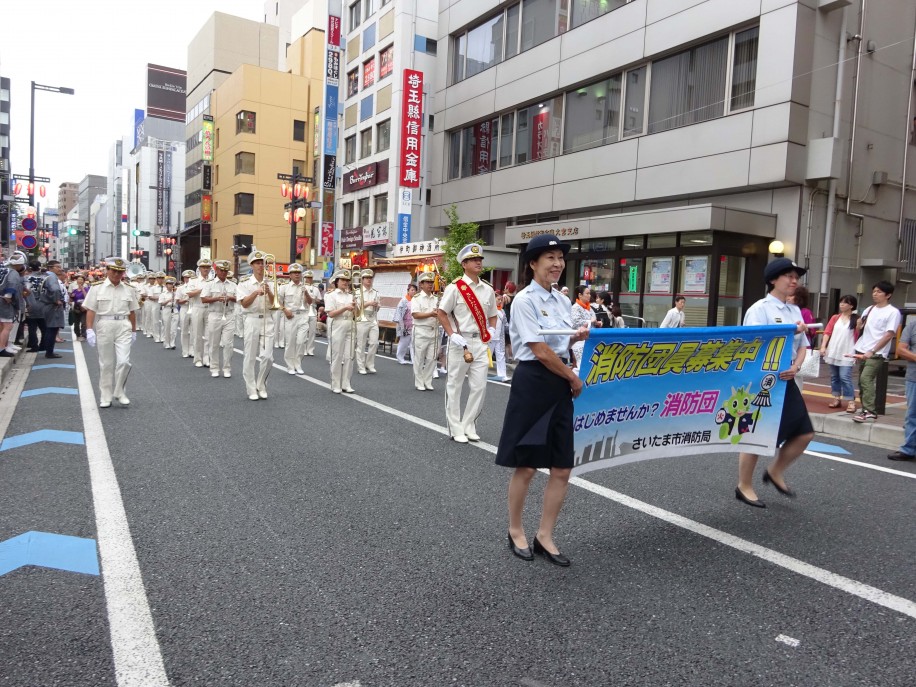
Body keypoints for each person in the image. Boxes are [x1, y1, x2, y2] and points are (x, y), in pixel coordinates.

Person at [495, 234, 588, 566]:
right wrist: (573, 376)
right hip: (535, 382)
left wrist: (575, 337)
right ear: (532, 263)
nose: (557, 263)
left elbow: (558, 342)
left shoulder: (563, 301)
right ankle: (515, 529)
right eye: (550, 257)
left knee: (562, 467)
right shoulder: (523, 300)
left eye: (560, 257)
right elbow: (539, 350)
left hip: (559, 382)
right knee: (528, 464)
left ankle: (545, 535)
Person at [735, 258, 814, 508]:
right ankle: (743, 485)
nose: (794, 281)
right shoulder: (759, 309)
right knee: (759, 434)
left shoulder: (794, 311)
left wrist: (796, 366)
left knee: (805, 432)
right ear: (772, 280)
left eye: (796, 277)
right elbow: (753, 344)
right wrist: (792, 332)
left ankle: (775, 470)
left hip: (788, 380)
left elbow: (803, 347)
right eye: (788, 276)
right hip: (764, 382)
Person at [437, 243, 498, 443]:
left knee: (479, 386)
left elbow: (493, 315)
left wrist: (491, 330)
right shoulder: (455, 288)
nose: (479, 263)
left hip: (480, 342)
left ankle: (469, 424)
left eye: (480, 260)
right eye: (474, 260)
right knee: (454, 385)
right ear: (464, 264)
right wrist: (451, 334)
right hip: (460, 343)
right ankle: (455, 428)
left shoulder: (487, 289)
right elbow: (441, 312)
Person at [83, 258, 140, 408]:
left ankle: (119, 391)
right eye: (113, 270)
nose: (116, 274)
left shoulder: (129, 288)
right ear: (107, 270)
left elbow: (132, 311)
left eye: (120, 271)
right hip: (105, 324)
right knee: (106, 364)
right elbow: (91, 310)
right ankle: (105, 396)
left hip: (123, 324)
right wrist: (89, 329)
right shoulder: (96, 288)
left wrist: (134, 330)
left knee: (124, 362)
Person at [852, 281, 901, 422]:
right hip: (863, 350)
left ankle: (870, 411)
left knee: (866, 379)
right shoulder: (869, 309)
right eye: (874, 291)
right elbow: (859, 328)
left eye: (879, 292)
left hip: (876, 353)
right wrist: (859, 325)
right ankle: (864, 410)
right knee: (862, 382)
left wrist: (872, 351)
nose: (875, 294)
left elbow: (889, 334)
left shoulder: (893, 312)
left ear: (888, 295)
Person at [236, 251, 275, 400]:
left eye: (263, 263)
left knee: (268, 357)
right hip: (251, 319)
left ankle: (262, 384)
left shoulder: (271, 281)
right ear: (252, 265)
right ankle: (251, 388)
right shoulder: (245, 282)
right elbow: (244, 304)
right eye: (257, 263)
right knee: (250, 356)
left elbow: (274, 303)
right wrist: (256, 292)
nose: (261, 266)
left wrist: (269, 291)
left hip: (267, 319)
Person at [819, 295, 859, 413]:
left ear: (851, 305)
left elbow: (859, 334)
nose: (841, 304)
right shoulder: (835, 318)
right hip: (833, 351)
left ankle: (851, 401)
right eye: (841, 302)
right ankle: (836, 398)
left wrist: (860, 326)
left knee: (845, 377)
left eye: (845, 303)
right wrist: (823, 346)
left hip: (848, 352)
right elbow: (827, 332)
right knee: (834, 377)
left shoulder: (856, 319)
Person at [201, 259, 237, 378]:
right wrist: (217, 298)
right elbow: (204, 299)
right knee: (214, 343)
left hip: (229, 314)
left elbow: (239, 299)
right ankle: (214, 367)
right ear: (216, 270)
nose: (223, 273)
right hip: (215, 314)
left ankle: (227, 368)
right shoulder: (209, 283)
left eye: (226, 271)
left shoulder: (233, 285)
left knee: (228, 344)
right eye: (221, 270)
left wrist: (230, 297)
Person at [887, 313, 916, 461]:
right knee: (912, 414)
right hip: (914, 377)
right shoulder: (912, 325)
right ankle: (908, 450)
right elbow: (901, 349)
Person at [325, 269, 357, 393]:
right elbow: (331, 313)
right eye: (343, 280)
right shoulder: (331, 295)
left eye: (347, 280)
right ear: (337, 281)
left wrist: (356, 307)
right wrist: (345, 307)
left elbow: (357, 313)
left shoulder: (351, 296)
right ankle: (335, 383)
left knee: (349, 355)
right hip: (337, 323)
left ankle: (346, 383)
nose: (345, 282)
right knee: (337, 355)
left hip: (350, 323)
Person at [278, 263, 312, 375]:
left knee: (301, 341)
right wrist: (284, 310)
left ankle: (298, 364)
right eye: (294, 273)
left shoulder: (306, 287)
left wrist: (306, 292)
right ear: (290, 275)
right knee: (290, 342)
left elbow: (310, 302)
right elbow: (278, 302)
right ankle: (290, 365)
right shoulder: (284, 287)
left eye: (299, 273)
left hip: (303, 315)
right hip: (290, 316)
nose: (297, 275)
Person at [411, 275, 439, 390]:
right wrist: (430, 314)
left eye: (431, 282)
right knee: (420, 358)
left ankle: (427, 380)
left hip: (434, 330)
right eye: (427, 282)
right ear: (421, 284)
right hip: (421, 330)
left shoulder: (436, 299)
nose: (430, 284)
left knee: (432, 358)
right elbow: (415, 314)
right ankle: (419, 382)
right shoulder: (416, 298)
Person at [186, 259, 214, 368]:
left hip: (210, 308)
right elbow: (189, 294)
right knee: (197, 334)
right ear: (199, 269)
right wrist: (201, 290)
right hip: (197, 307)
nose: (206, 269)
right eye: (203, 267)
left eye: (208, 267)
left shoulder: (213, 280)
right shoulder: (194, 281)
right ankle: (197, 358)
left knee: (209, 335)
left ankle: (207, 358)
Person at [37, 260, 67, 358]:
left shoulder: (43, 276)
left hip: (43, 303)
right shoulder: (52, 277)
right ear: (50, 267)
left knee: (49, 328)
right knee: (52, 328)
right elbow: (55, 289)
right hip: (51, 305)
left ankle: (47, 349)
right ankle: (49, 352)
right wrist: (57, 300)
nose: (60, 269)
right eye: (57, 267)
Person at [354, 269, 381, 374]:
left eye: (370, 278)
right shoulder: (358, 292)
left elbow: (378, 307)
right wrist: (369, 303)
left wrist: (377, 306)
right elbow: (357, 307)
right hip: (362, 318)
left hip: (372, 318)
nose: (369, 280)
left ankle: (369, 364)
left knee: (374, 342)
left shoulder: (376, 292)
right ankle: (360, 366)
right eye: (367, 278)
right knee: (361, 343)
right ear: (362, 279)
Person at [0, 251, 27, 357]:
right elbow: (12, 284)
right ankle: (2, 348)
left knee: (1, 325)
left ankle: (3, 346)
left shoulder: (2, 269)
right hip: (4, 300)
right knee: (8, 325)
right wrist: (9, 296)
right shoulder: (13, 272)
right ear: (18, 265)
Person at [570, 285, 597, 371]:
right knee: (581, 364)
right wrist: (590, 321)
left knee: (589, 364)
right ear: (580, 295)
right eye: (587, 293)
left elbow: (594, 319)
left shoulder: (589, 308)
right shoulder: (575, 308)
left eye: (589, 293)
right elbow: (575, 323)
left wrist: (596, 322)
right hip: (579, 340)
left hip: (589, 339)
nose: (589, 295)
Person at [394, 284, 416, 364]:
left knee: (413, 343)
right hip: (405, 324)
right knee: (404, 342)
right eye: (412, 290)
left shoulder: (415, 300)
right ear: (408, 291)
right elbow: (399, 313)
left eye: (414, 290)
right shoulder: (403, 301)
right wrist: (401, 325)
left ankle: (414, 360)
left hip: (413, 324)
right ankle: (400, 357)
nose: (413, 292)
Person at [489, 290, 509, 382]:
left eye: (501, 300)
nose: (500, 301)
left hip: (499, 338)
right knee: (486, 356)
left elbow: (505, 324)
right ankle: (480, 374)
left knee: (501, 356)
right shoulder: (489, 309)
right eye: (498, 299)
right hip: (489, 337)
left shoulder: (503, 312)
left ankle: (502, 375)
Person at [175, 270, 195, 358]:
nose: (189, 279)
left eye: (191, 278)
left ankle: (192, 350)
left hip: (194, 308)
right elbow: (178, 301)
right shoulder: (180, 288)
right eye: (187, 277)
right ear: (184, 278)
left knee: (194, 331)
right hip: (185, 308)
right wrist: (186, 299)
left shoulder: (196, 288)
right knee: (184, 330)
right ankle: (185, 350)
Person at [302, 270, 321, 356]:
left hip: (313, 309)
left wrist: (313, 299)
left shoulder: (316, 289)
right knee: (304, 331)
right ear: (304, 278)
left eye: (310, 278)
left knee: (312, 331)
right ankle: (303, 348)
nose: (309, 279)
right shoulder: (302, 287)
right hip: (304, 310)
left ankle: (310, 349)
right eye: (307, 278)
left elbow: (319, 300)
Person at [158, 277, 178, 350]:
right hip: (166, 310)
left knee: (174, 328)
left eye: (171, 284)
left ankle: (172, 343)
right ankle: (167, 343)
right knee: (167, 327)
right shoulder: (163, 294)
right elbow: (161, 303)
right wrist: (169, 300)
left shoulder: (176, 293)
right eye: (169, 284)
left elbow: (179, 301)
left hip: (174, 310)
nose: (170, 285)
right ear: (166, 285)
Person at [70, 274, 89, 341]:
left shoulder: (87, 288)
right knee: (76, 323)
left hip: (83, 308)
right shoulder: (74, 290)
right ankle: (78, 334)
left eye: (81, 279)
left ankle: (83, 335)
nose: (79, 281)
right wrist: (71, 297)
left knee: (84, 323)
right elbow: (71, 300)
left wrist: (82, 289)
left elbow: (86, 297)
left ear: (84, 281)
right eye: (78, 279)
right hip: (76, 308)